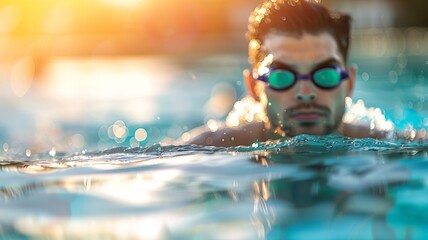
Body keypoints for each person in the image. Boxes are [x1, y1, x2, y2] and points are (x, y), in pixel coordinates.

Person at [183, 0, 417, 147]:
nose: (306, 94)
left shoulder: (389, 142)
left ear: (349, 83)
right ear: (254, 88)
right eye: (282, 77)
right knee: (220, 107)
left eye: (325, 75)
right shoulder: (211, 145)